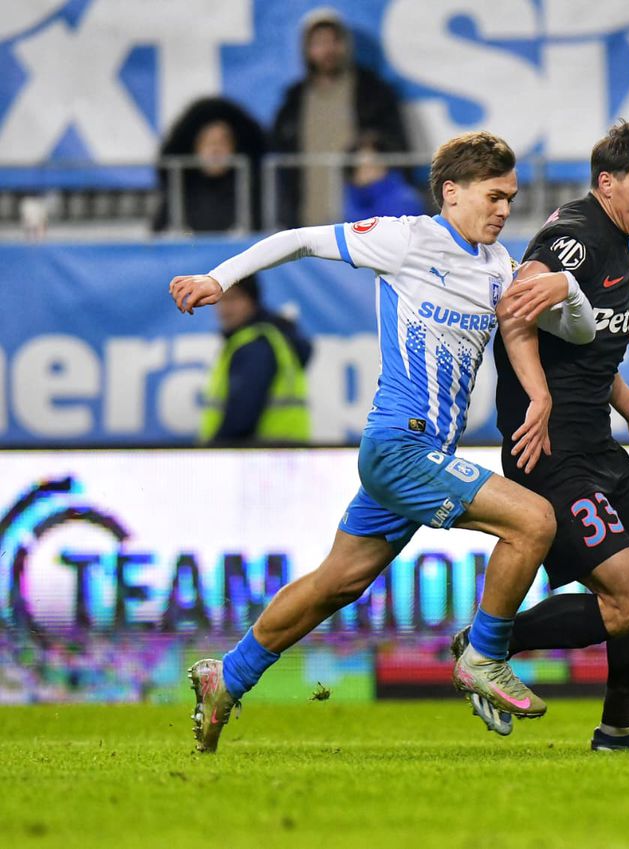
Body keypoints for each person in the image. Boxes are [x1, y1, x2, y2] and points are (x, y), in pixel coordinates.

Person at [169, 131, 598, 753]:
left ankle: (226, 677)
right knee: (533, 522)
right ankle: (484, 655)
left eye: (510, 198)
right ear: (452, 193)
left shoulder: (501, 269)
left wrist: (569, 290)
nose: (505, 210)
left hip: (426, 458)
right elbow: (298, 240)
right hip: (399, 448)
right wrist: (219, 278)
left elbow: (579, 334)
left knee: (336, 583)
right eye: (494, 196)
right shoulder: (406, 239)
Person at [453, 120, 629, 752]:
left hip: (599, 443)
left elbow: (595, 352)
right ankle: (487, 642)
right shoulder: (576, 238)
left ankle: (620, 730)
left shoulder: (614, 240)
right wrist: (536, 395)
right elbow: (518, 305)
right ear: (607, 183)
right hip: (552, 450)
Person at [271, 8, 412, 228]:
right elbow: (281, 167)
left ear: (345, 44)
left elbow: (397, 149)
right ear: (306, 49)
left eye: (334, 41)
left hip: (365, 225)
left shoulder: (373, 92)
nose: (328, 50)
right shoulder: (293, 103)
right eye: (318, 43)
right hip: (307, 223)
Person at [198, 274, 312, 445]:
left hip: (261, 460)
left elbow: (241, 419)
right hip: (279, 457)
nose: (224, 308)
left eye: (233, 299)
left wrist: (211, 455)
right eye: (220, 300)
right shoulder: (265, 338)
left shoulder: (255, 345)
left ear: (252, 301)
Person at [152, 97, 265, 233]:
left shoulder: (254, 196)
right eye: (208, 142)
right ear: (195, 148)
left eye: (222, 142)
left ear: (235, 147)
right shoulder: (178, 196)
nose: (215, 150)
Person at [343, 130, 428, 221]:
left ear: (385, 167)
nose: (363, 174)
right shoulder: (351, 198)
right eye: (358, 168)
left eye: (370, 166)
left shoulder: (404, 200)